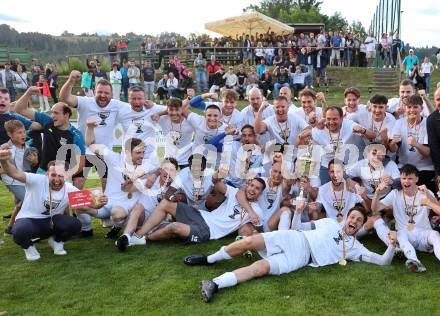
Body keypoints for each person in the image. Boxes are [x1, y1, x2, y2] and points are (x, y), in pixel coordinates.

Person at [184, 205, 396, 303]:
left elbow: (383, 262)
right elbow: (298, 227)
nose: (355, 222)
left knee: (261, 268)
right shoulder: (329, 222)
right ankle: (209, 259)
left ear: (360, 226)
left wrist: (392, 245)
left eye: (359, 221)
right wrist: (298, 211)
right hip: (294, 238)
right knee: (249, 242)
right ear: (347, 218)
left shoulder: (356, 248)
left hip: (301, 259)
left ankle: (214, 283)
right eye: (353, 217)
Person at [0, 154, 106, 261]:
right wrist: (4, 161)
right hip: (30, 221)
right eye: (53, 175)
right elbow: (14, 173)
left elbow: (93, 204)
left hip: (51, 223)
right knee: (19, 231)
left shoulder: (69, 189)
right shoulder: (37, 180)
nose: (56, 179)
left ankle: (57, 241)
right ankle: (29, 248)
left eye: (60, 175)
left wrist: (101, 202)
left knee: (75, 224)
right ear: (47, 174)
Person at [127, 171, 265, 247]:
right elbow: (218, 183)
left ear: (260, 193)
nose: (252, 189)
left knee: (174, 227)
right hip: (201, 215)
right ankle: (139, 235)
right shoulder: (236, 193)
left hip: (208, 231)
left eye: (257, 188)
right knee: (165, 203)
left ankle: (147, 238)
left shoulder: (257, 210)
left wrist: (251, 226)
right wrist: (218, 175)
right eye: (251, 185)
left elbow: (257, 229)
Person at [59, 70, 130, 189]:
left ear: (112, 95)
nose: (103, 95)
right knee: (78, 184)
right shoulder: (85, 102)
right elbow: (64, 97)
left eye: (106, 93)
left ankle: (101, 207)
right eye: (100, 92)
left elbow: (136, 107)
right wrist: (71, 80)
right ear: (94, 92)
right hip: (82, 151)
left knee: (107, 185)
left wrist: (151, 106)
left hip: (103, 152)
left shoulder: (117, 105)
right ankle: (80, 207)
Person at [13, 86, 86, 189]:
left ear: (66, 115)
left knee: (62, 200)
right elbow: (19, 109)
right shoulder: (47, 121)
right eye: (52, 112)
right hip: (43, 170)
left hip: (62, 174)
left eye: (56, 113)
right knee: (36, 199)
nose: (52, 116)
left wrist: (65, 175)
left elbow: (81, 162)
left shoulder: (75, 135)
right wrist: (28, 92)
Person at [371, 164, 440, 272]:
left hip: (424, 233)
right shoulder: (395, 193)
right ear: (400, 179)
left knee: (435, 235)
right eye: (403, 178)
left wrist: (428, 195)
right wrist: (377, 193)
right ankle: (414, 261)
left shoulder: (425, 192)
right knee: (400, 233)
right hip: (406, 235)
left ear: (416, 179)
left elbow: (438, 210)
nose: (406, 181)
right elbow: (375, 209)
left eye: (410, 178)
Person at [115, 158, 178, 251]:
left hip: (158, 223)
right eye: (166, 169)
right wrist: (132, 179)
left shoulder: (175, 188)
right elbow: (126, 188)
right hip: (140, 219)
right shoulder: (150, 182)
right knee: (138, 207)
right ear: (160, 170)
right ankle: (126, 236)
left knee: (173, 229)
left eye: (171, 170)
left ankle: (142, 237)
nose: (168, 173)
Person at [0, 120, 39, 235]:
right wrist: (5, 169)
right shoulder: (4, 148)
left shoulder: (27, 148)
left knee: (21, 204)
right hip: (11, 181)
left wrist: (35, 161)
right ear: (10, 134)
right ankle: (33, 230)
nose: (23, 135)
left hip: (24, 180)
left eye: (23, 132)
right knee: (29, 201)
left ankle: (10, 228)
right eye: (18, 133)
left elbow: (34, 163)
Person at [389, 95, 435, 192]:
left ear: (421, 108)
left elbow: (427, 152)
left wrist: (416, 144)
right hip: (403, 166)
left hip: (424, 168)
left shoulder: (427, 124)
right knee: (396, 184)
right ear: (405, 108)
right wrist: (393, 143)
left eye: (415, 107)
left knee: (417, 187)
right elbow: (393, 149)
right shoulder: (399, 123)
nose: (412, 110)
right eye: (409, 107)